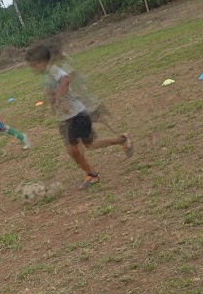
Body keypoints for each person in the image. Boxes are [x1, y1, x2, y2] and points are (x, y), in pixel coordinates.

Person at [25, 45, 132, 188]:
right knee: (79, 148)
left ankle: (93, 174)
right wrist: (51, 104)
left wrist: (59, 97)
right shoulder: (45, 76)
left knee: (79, 148)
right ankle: (119, 143)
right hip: (64, 119)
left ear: (42, 62)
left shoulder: (54, 70)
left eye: (33, 64)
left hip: (76, 116)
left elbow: (65, 81)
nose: (32, 68)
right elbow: (52, 93)